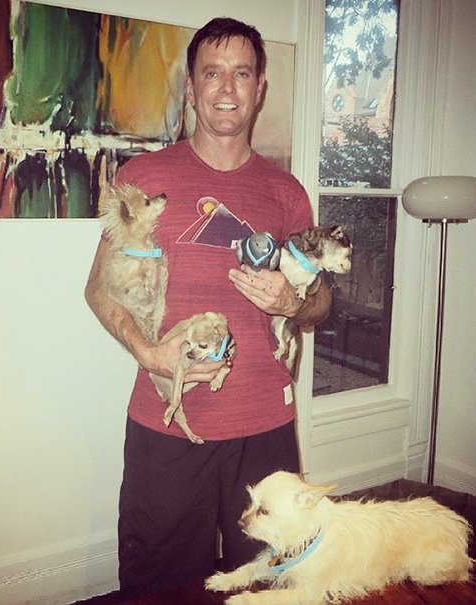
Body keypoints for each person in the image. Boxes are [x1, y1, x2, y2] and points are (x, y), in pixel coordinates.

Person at [84, 17, 332, 598]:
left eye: (242, 74)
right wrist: (149, 354)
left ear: (259, 89)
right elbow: (99, 289)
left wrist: (293, 299)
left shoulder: (286, 192)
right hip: (169, 423)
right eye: (212, 73)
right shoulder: (143, 177)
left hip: (266, 430)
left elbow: (321, 305)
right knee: (160, 586)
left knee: (269, 582)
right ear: (191, 88)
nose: (227, 88)